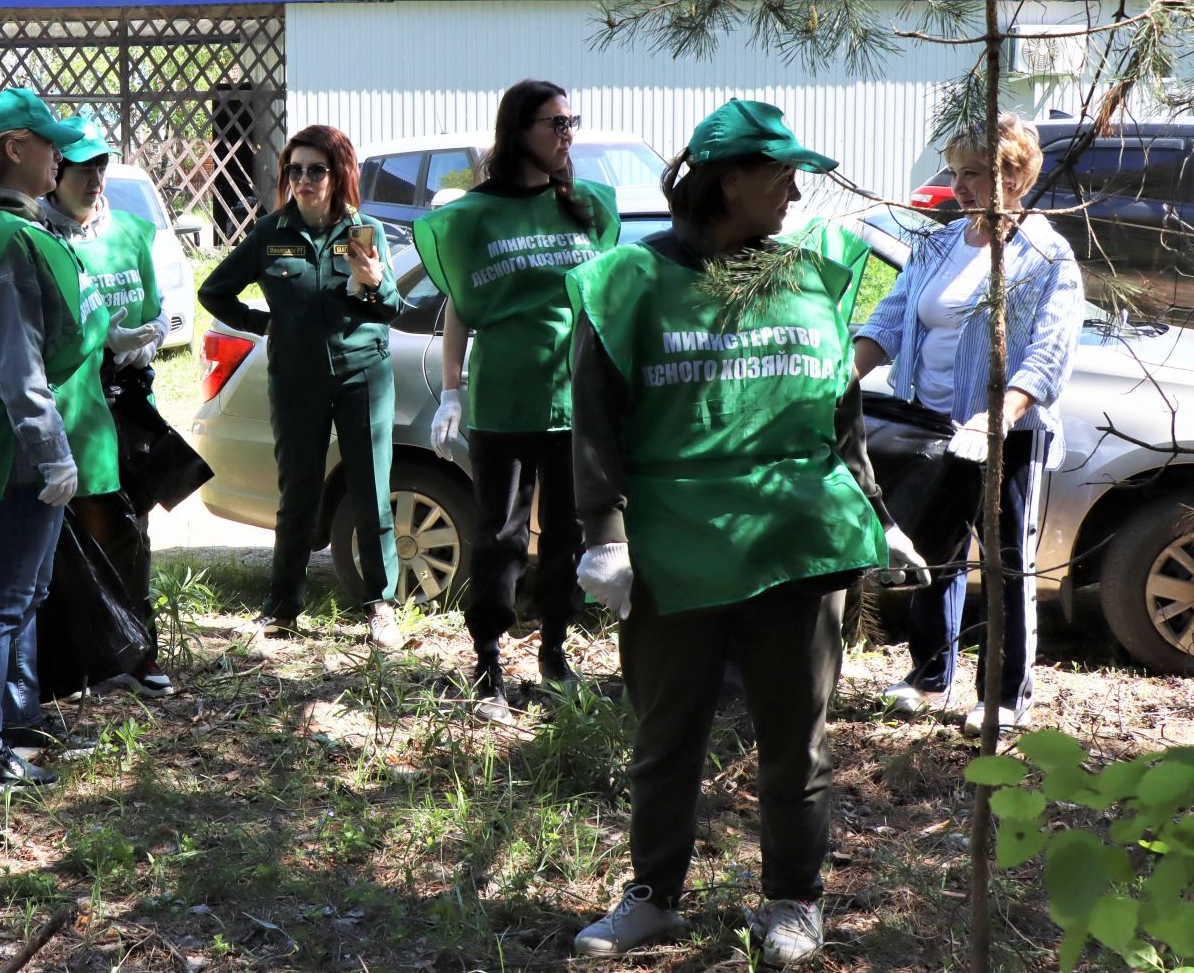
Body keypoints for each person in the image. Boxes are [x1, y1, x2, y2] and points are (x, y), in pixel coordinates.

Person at [564, 99, 924, 965]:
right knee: (667, 731)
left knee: (795, 737)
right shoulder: (629, 283)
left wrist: (880, 515)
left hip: (802, 542)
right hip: (674, 546)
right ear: (729, 182)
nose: (798, 192)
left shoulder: (807, 277)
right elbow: (595, 420)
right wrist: (605, 534)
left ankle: (794, 902)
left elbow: (838, 418)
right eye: (782, 175)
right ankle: (652, 896)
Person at [854, 112, 1082, 734]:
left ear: (1015, 176)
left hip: (1007, 434)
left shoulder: (1043, 253)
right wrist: (847, 371)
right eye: (955, 172)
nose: (960, 187)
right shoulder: (937, 242)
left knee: (1006, 563)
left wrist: (999, 417)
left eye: (974, 173)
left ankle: (1007, 695)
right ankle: (931, 676)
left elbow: (1049, 352)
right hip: (931, 429)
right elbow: (892, 316)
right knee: (934, 551)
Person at [412, 80, 620, 721]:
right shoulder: (473, 217)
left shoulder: (586, 207)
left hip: (572, 400)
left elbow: (604, 299)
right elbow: (459, 311)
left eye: (570, 122)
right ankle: (488, 662)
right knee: (500, 535)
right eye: (553, 124)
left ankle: (555, 652)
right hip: (503, 399)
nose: (567, 135)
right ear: (517, 131)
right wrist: (451, 390)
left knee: (566, 535)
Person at [0, 87, 119, 791]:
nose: (61, 156)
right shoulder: (8, 238)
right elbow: (14, 361)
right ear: (15, 148)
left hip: (9, 439)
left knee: (21, 591)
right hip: (18, 449)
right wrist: (50, 450)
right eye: (50, 143)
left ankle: (10, 722)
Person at [198, 125, 404, 647]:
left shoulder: (365, 232)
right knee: (298, 492)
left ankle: (381, 606)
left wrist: (376, 284)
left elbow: (395, 310)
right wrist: (267, 325)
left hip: (363, 377)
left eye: (316, 169)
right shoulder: (272, 233)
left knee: (370, 490)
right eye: (296, 170)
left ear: (340, 174)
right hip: (295, 382)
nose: (305, 180)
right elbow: (214, 291)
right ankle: (283, 606)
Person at [38, 119, 175, 697]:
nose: (95, 179)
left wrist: (144, 339)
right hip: (65, 402)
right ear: (55, 174)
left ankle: (136, 649)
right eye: (83, 168)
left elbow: (156, 309)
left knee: (128, 530)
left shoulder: (134, 232)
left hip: (125, 403)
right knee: (65, 539)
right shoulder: (40, 238)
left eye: (101, 167)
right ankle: (73, 659)